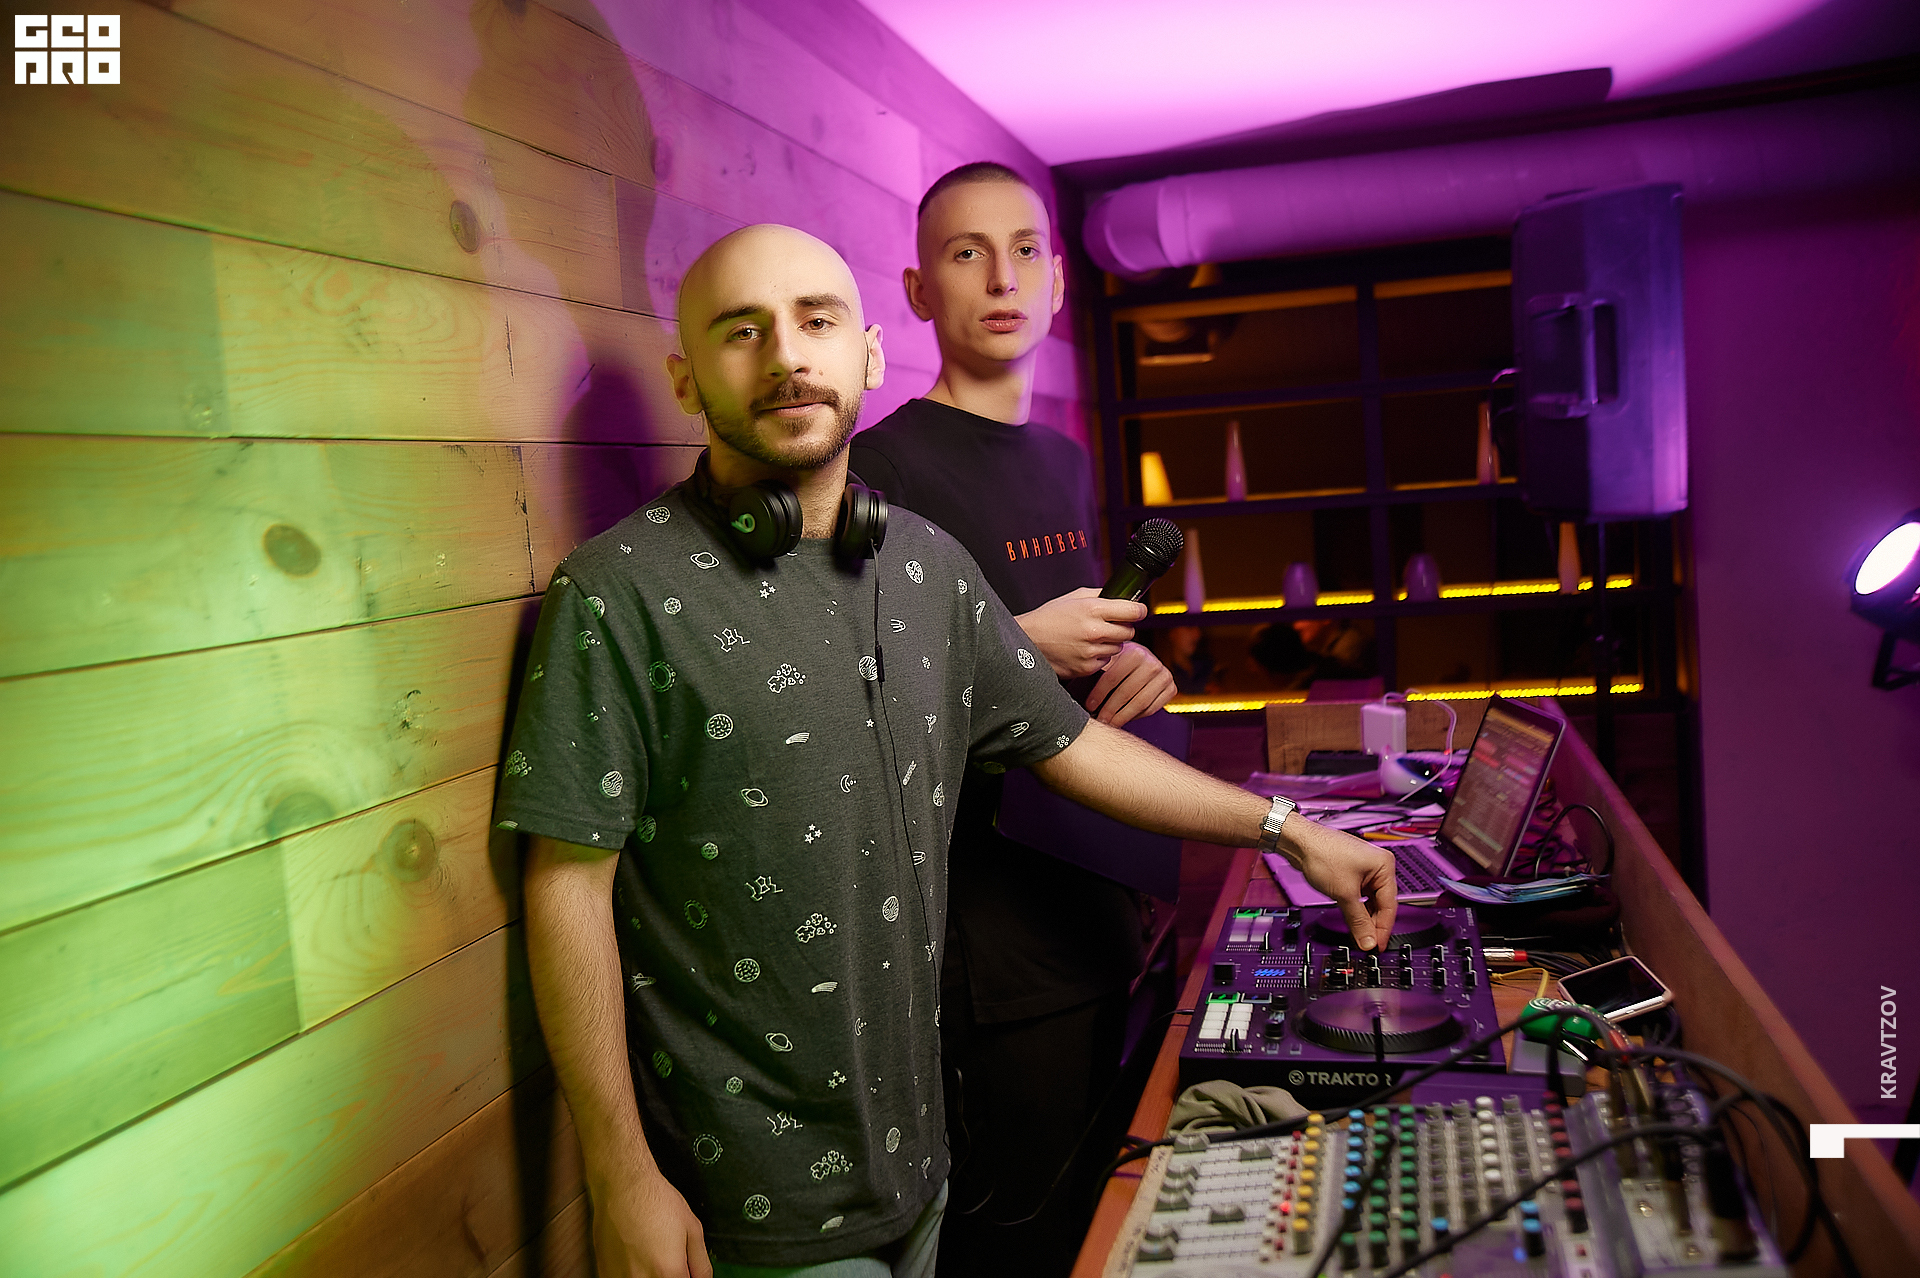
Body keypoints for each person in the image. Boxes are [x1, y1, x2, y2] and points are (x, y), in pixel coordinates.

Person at [496, 223, 1397, 1278]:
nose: (786, 355)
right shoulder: (617, 592)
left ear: (869, 355)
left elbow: (1072, 744)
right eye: (742, 331)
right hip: (744, 1199)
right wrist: (619, 1172)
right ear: (686, 379)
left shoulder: (925, 565)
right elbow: (567, 884)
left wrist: (1290, 831)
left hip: (919, 1163)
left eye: (816, 321)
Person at [847, 162, 1180, 1272]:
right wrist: (1018, 641)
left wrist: (1136, 666)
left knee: (1097, 1226)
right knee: (1016, 1250)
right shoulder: (881, 468)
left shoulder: (1063, 458)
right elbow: (852, 705)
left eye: (1025, 249)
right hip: (989, 956)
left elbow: (1069, 673)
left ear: (1057, 283)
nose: (1002, 277)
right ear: (919, 290)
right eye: (966, 252)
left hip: (1099, 910)